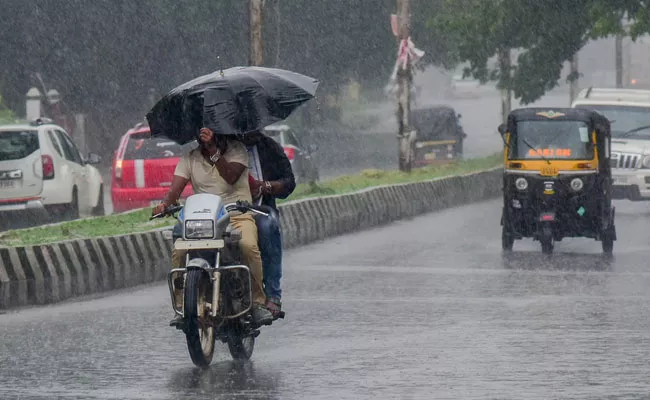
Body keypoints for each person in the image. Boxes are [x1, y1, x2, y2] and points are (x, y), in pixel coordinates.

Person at [152, 127, 273, 326]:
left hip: (237, 217)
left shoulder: (238, 150)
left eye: (210, 132)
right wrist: (165, 204)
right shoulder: (189, 158)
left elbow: (230, 176)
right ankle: (182, 305)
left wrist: (213, 150)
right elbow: (175, 190)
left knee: (249, 247)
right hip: (205, 221)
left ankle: (258, 303)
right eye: (202, 133)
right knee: (179, 252)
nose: (204, 136)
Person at [240, 131, 296, 319]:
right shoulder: (224, 147)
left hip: (261, 209)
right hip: (227, 211)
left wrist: (265, 187)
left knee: (267, 228)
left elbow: (289, 182)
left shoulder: (269, 147)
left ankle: (273, 293)